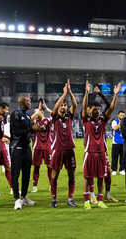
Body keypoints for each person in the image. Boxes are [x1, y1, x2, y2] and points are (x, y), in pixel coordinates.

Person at [82, 81, 121, 209]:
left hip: (102, 153)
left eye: (99, 109)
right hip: (89, 153)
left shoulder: (103, 120)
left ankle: (100, 200)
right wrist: (87, 93)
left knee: (101, 177)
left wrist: (115, 95)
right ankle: (87, 201)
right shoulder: (86, 119)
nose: (97, 111)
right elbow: (83, 107)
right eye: (95, 109)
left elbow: (111, 108)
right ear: (90, 110)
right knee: (87, 178)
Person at [10, 95, 42, 210]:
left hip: (27, 146)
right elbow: (16, 132)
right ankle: (16, 199)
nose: (30, 103)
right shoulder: (15, 114)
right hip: (16, 146)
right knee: (15, 173)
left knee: (27, 173)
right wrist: (31, 130)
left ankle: (23, 197)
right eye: (28, 101)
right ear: (23, 103)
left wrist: (36, 129)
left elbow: (29, 131)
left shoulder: (28, 116)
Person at [50, 79, 78, 208]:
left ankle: (70, 199)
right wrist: (63, 94)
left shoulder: (69, 115)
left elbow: (75, 105)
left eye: (64, 105)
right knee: (54, 175)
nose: (63, 107)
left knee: (71, 175)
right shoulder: (54, 116)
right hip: (57, 149)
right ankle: (54, 199)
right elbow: (55, 108)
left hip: (70, 149)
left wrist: (70, 92)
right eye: (62, 105)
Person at [30, 101, 52, 193]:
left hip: (48, 146)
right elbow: (30, 119)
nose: (36, 114)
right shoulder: (34, 122)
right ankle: (35, 186)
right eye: (35, 112)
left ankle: (51, 185)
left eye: (38, 112)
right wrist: (37, 111)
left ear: (42, 112)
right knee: (36, 167)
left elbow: (54, 115)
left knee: (50, 166)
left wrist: (46, 108)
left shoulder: (48, 120)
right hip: (37, 147)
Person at [111, 111, 125, 175]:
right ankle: (114, 170)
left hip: (124, 142)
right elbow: (115, 128)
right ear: (118, 115)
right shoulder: (114, 122)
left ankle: (122, 169)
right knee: (114, 157)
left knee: (123, 157)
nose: (122, 116)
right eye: (121, 115)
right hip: (115, 142)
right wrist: (121, 123)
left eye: (123, 115)